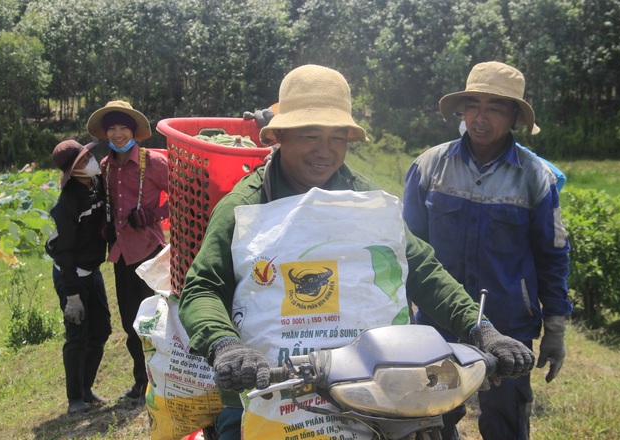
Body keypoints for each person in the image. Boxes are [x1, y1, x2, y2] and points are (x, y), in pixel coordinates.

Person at [178, 64, 535, 440]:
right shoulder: (247, 207)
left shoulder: (367, 204)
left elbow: (423, 271)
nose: (325, 151)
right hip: (268, 386)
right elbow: (201, 288)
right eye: (310, 135)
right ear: (280, 136)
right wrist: (227, 345)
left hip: (366, 385)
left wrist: (481, 329)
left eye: (337, 137)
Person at [403, 61, 573, 439]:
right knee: (433, 418)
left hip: (510, 324)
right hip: (438, 322)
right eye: (473, 105)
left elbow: (554, 254)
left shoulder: (535, 176)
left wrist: (556, 327)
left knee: (507, 419)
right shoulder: (430, 165)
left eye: (495, 107)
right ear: (461, 111)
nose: (481, 117)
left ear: (514, 116)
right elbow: (405, 248)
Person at [86, 100, 169, 404]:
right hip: (121, 255)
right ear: (106, 133)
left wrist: (156, 214)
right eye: (112, 128)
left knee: (157, 320)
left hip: (151, 252)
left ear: (133, 130)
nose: (118, 133)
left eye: (123, 127)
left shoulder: (154, 162)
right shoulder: (106, 166)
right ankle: (141, 383)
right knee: (130, 322)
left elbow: (187, 193)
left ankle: (163, 380)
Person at [46, 140, 112, 414]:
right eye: (83, 162)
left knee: (102, 330)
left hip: (92, 270)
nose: (91, 162)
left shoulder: (96, 185)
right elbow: (65, 253)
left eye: (89, 157)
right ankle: (74, 399)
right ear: (72, 172)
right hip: (71, 274)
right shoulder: (67, 203)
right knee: (77, 335)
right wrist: (72, 295)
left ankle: (86, 388)